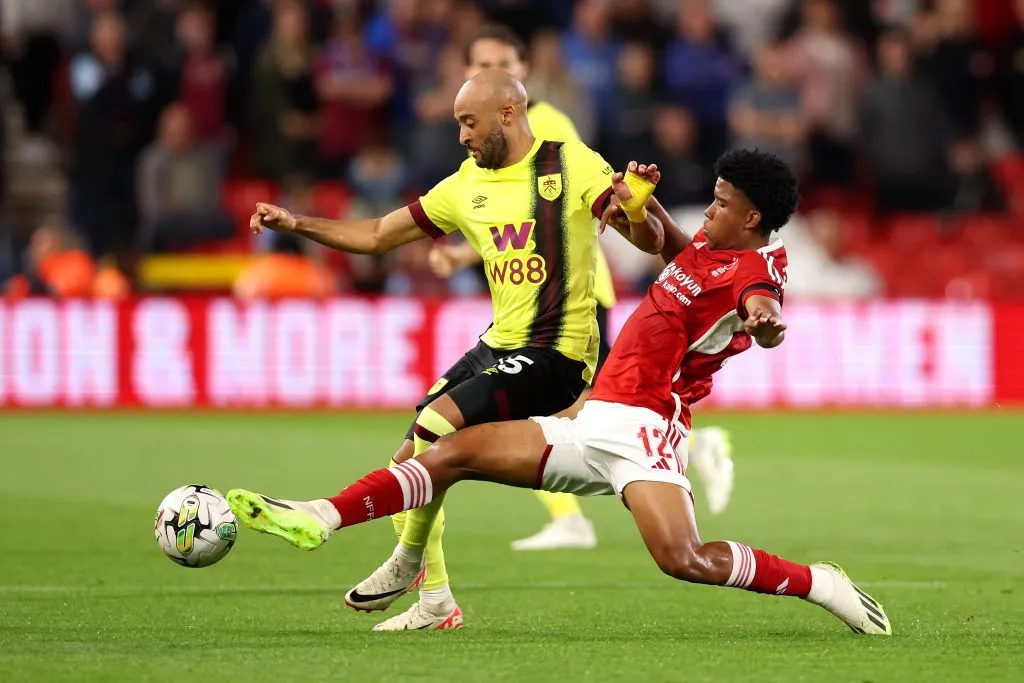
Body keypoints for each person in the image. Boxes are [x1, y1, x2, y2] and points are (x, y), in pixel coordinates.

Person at [227, 149, 892, 636]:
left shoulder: (754, 275)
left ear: (750, 216)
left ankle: (819, 582)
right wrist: (643, 201)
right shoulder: (711, 251)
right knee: (450, 450)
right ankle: (322, 514)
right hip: (590, 420)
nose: (710, 209)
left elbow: (757, 306)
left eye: (720, 202)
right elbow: (678, 250)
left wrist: (764, 324)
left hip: (644, 435)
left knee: (684, 559)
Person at [247, 68, 663, 631]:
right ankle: (436, 601)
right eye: (457, 124)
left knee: (435, 428)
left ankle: (384, 550)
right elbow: (375, 236)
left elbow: (645, 242)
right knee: (408, 461)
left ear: (508, 115)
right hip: (497, 343)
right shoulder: (465, 185)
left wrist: (635, 208)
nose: (462, 135)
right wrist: (296, 224)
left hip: (558, 353)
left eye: (469, 122)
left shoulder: (571, 163)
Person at [428, 25, 736, 555]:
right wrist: (462, 250)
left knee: (575, 417)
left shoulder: (544, 127)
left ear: (521, 70)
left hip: (574, 301)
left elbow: (559, 210)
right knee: (572, 416)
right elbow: (508, 221)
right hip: (536, 303)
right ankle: (659, 459)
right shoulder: (480, 131)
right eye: (478, 63)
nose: (486, 70)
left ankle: (683, 448)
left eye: (498, 60)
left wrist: (630, 212)